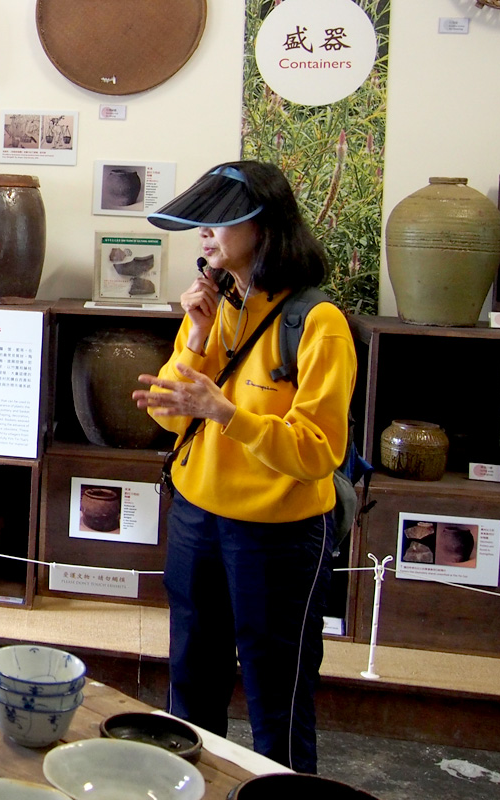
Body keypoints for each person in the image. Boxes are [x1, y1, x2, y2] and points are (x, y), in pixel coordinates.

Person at [132, 161, 356, 773]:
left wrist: (227, 413)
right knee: (189, 689)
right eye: (198, 225)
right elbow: (172, 421)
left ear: (264, 225)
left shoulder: (316, 323)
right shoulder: (212, 307)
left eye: (216, 222)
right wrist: (199, 335)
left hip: (279, 537)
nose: (203, 235)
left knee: (276, 697)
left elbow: (317, 452)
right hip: (197, 520)